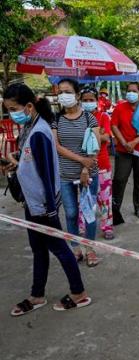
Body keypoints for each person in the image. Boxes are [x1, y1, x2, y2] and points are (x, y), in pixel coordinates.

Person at [2, 84, 91, 315]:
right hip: (32, 204)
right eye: (8, 109)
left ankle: (79, 293)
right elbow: (32, 163)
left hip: (43, 206)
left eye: (14, 109)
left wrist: (51, 210)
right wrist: (17, 162)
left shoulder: (40, 132)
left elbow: (48, 174)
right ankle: (37, 294)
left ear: (29, 107)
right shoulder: (29, 128)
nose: (12, 114)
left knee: (60, 249)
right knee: (38, 249)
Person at [52, 78, 101, 267]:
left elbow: (94, 148)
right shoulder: (56, 119)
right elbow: (56, 146)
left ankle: (90, 249)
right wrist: (81, 160)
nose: (63, 95)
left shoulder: (90, 118)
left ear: (77, 95)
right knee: (71, 213)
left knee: (89, 213)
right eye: (60, 92)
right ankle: (75, 248)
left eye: (67, 91)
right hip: (65, 174)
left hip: (88, 174)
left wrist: (85, 168)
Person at [111, 82, 139, 222]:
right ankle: (115, 208)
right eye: (129, 90)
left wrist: (134, 142)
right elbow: (114, 126)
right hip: (123, 150)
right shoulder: (119, 107)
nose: (131, 93)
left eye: (134, 91)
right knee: (119, 179)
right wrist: (124, 143)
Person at [80, 87, 114, 240]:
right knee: (84, 198)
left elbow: (107, 137)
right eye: (85, 100)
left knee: (104, 199)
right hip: (81, 166)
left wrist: (90, 136)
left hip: (102, 164)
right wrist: (97, 134)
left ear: (97, 101)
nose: (88, 103)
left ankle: (107, 227)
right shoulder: (77, 118)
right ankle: (82, 227)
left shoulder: (104, 116)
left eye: (91, 100)